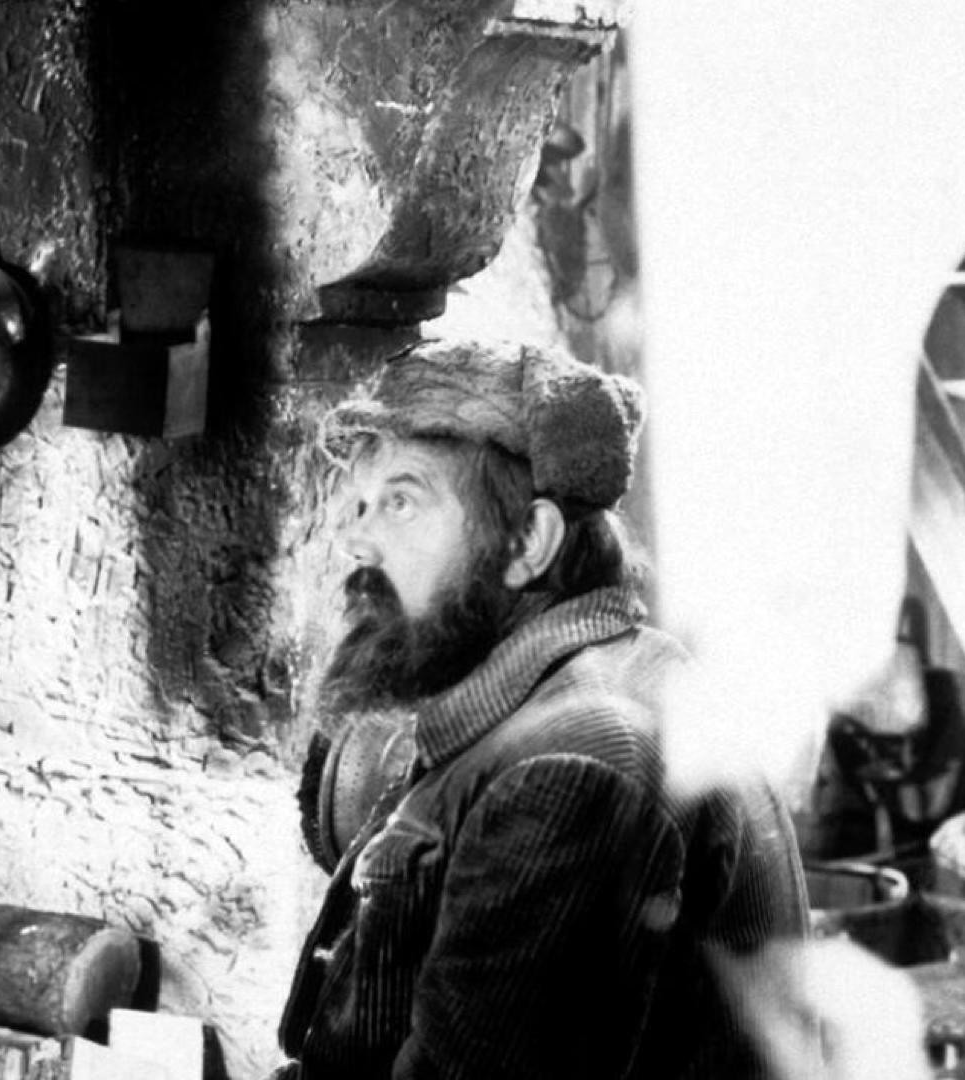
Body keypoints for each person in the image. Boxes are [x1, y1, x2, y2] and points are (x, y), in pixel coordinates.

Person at [276, 339, 810, 1078]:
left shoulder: (573, 764)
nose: (358, 540)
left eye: (402, 501)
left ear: (529, 540)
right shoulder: (604, 676)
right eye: (362, 504)